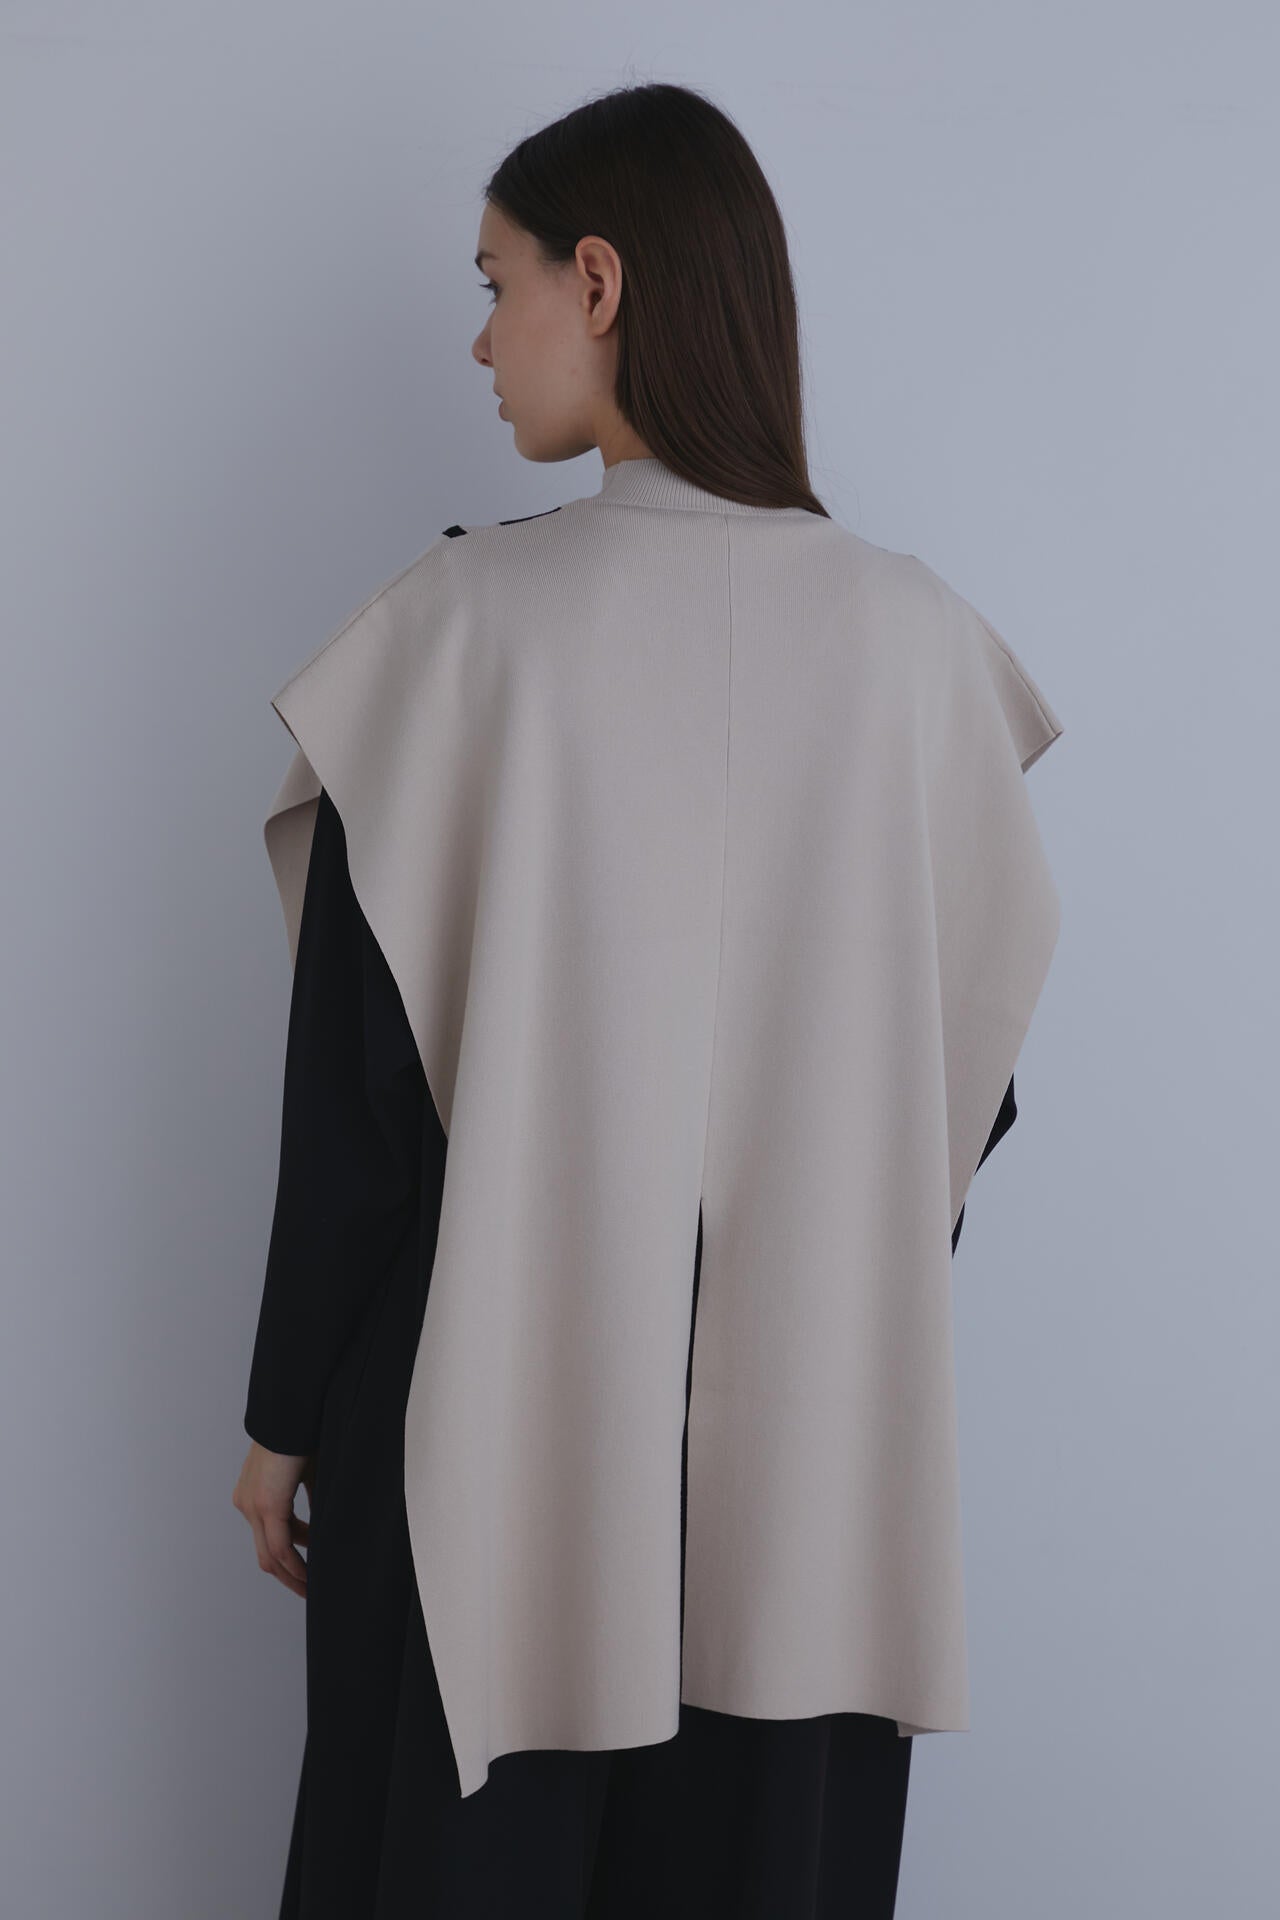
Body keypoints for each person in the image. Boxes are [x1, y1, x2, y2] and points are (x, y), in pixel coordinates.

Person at [232, 80, 1061, 1919]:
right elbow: (970, 1077)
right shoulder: (923, 650)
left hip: (482, 1440)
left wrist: (285, 1416)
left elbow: (358, 1097)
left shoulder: (455, 641)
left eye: (497, 282)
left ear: (597, 282)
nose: (480, 338)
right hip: (817, 1475)